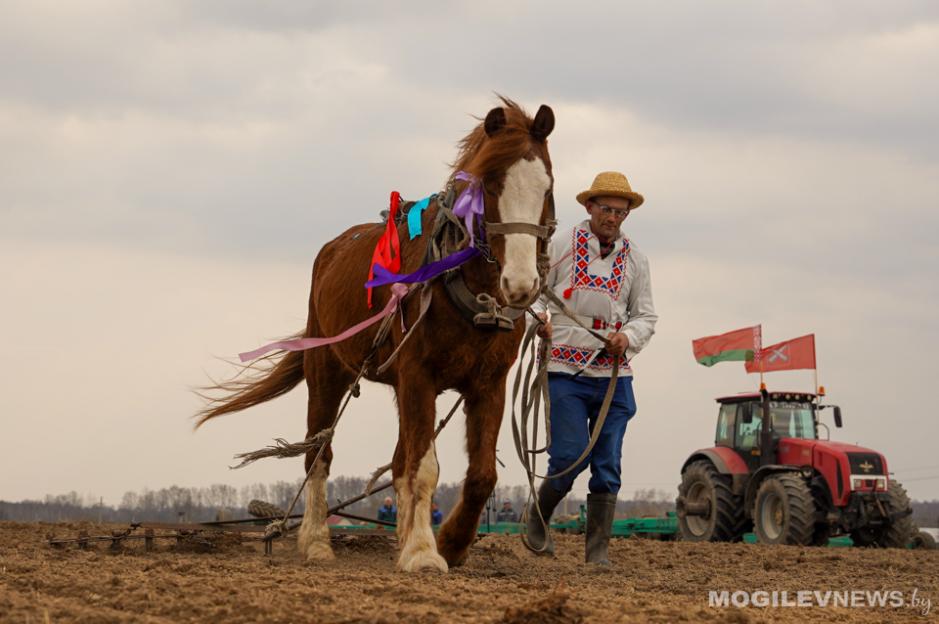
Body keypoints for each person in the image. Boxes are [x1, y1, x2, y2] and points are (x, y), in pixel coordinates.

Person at [526, 171, 657, 566]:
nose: (613, 217)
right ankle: (537, 517)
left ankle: (597, 551)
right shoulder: (561, 244)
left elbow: (646, 316)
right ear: (589, 207)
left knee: (607, 464)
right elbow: (533, 293)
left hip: (614, 375)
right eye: (606, 209)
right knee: (568, 457)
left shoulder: (637, 259)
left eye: (620, 211)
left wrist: (628, 337)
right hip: (565, 369)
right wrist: (539, 320)